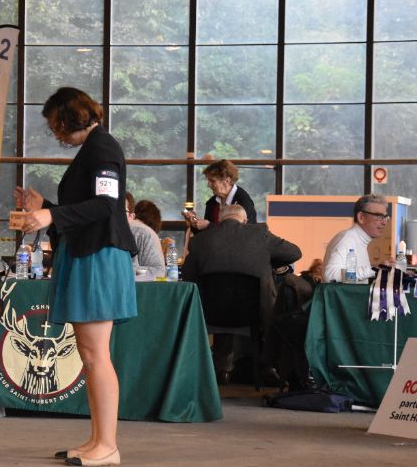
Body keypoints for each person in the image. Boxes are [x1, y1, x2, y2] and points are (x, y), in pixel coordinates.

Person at [14, 87, 137, 467]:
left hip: (100, 256)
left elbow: (105, 205)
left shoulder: (103, 148)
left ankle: (109, 445)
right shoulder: (93, 150)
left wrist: (51, 216)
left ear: (71, 117)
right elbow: (86, 208)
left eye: (55, 124)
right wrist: (46, 207)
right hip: (87, 254)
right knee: (88, 353)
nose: (54, 133)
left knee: (97, 355)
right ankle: (98, 439)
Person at [180, 204, 302, 384]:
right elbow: (295, 253)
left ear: (219, 220)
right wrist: (269, 263)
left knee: (223, 299)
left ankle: (221, 369)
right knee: (269, 296)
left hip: (211, 313)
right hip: (255, 314)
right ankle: (267, 367)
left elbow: (188, 275)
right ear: (245, 221)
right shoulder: (260, 234)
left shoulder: (200, 241)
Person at [322, 194, 389, 283]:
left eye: (385, 217)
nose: (384, 222)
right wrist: (373, 270)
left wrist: (380, 269)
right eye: (379, 217)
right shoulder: (347, 239)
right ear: (361, 217)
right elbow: (330, 275)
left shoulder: (358, 240)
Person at [185, 159, 257, 232]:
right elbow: (206, 236)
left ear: (227, 180)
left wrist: (209, 225)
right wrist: (194, 224)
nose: (208, 185)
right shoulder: (212, 203)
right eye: (208, 181)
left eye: (212, 181)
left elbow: (243, 233)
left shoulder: (244, 202)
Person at [125, 192, 164, 279]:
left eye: (121, 211)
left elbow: (158, 271)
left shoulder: (142, 234)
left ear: (132, 216)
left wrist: (129, 272)